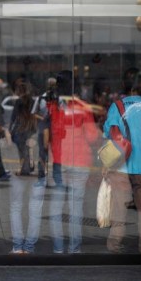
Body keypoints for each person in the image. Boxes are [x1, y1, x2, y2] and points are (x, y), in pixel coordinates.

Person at [104, 68, 141, 254]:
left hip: (120, 166)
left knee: (119, 209)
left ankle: (115, 246)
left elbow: (109, 134)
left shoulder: (116, 107)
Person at [48, 70, 100, 254]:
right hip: (80, 161)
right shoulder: (82, 107)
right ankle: (74, 249)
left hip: (59, 161)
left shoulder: (52, 107)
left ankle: (58, 248)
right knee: (76, 207)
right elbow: (93, 136)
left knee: (56, 205)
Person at [9, 80, 36, 175]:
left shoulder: (19, 101)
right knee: (27, 148)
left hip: (20, 128)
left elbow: (14, 116)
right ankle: (28, 166)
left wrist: (10, 129)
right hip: (30, 128)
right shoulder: (32, 101)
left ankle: (25, 169)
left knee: (22, 149)